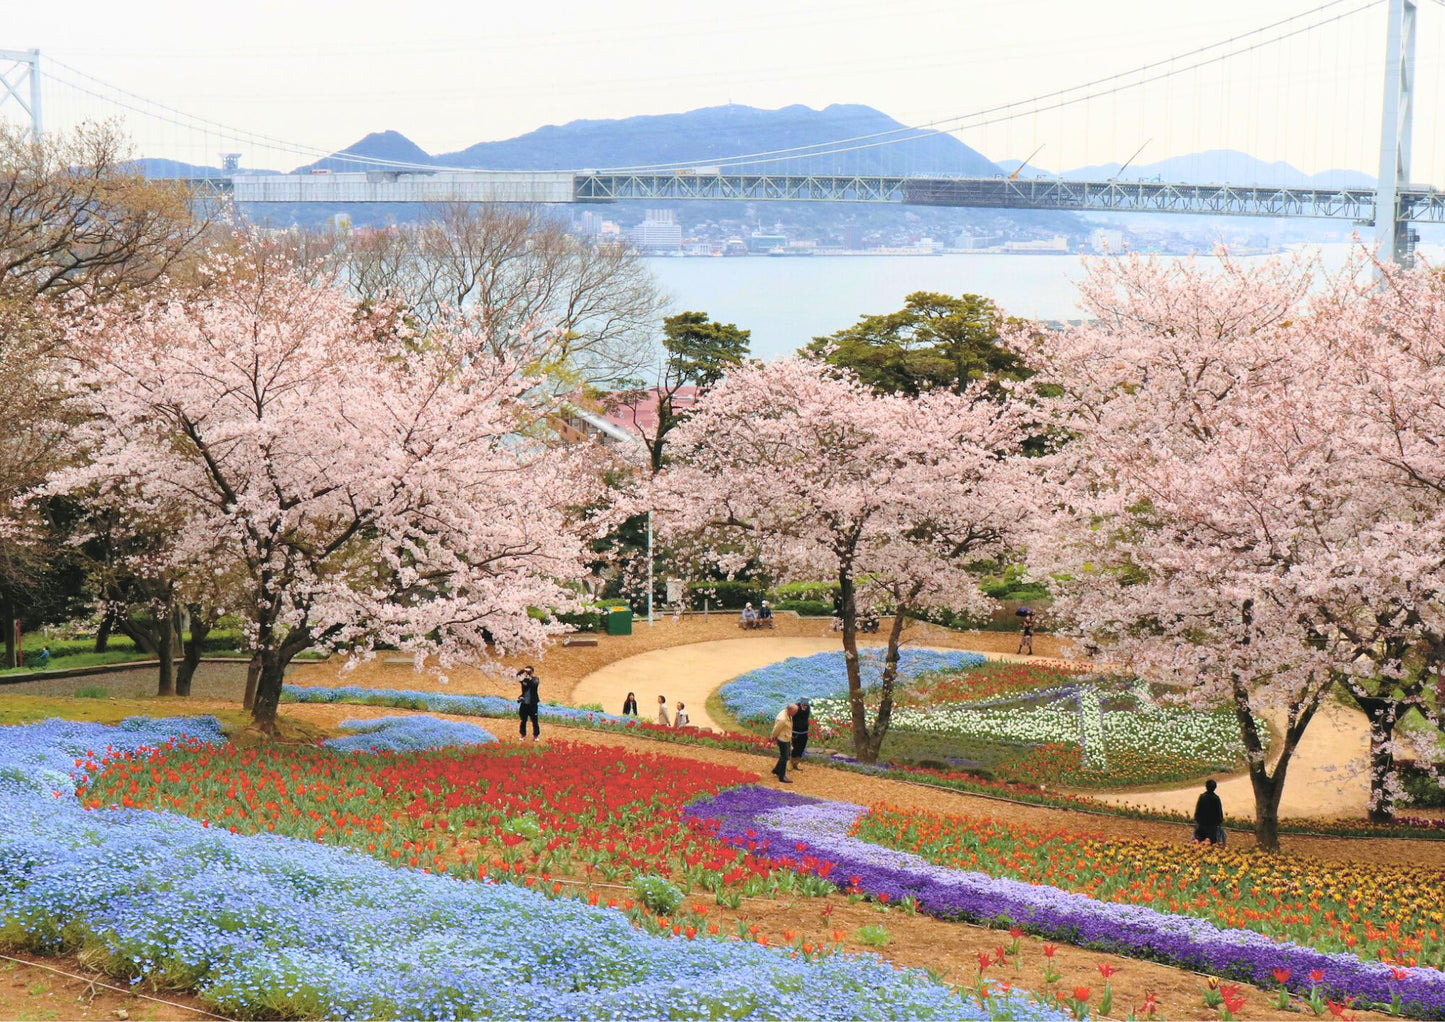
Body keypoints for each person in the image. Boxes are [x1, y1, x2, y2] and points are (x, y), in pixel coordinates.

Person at [770, 703, 798, 783]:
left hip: (786, 737)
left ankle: (776, 770)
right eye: (795, 711)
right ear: (790, 710)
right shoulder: (782, 719)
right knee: (785, 757)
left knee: (785, 755)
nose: (796, 713)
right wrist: (772, 737)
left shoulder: (788, 714)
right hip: (783, 739)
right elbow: (776, 729)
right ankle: (782, 776)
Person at [1193, 778, 1226, 845]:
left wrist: (1196, 819)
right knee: (1211, 838)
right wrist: (1220, 820)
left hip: (1201, 823)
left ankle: (1197, 841)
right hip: (1212, 825)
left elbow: (1198, 809)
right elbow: (1219, 812)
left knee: (1198, 836)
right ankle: (1208, 840)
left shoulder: (1202, 797)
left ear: (1206, 787)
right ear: (1215, 788)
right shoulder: (1216, 798)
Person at [517, 666, 541, 742]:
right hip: (524, 704)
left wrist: (530, 675)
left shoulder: (535, 679)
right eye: (526, 672)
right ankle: (523, 735)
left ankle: (536, 736)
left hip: (533, 704)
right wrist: (523, 670)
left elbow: (533, 684)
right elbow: (517, 675)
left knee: (535, 721)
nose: (527, 673)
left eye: (529, 672)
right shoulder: (524, 680)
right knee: (523, 720)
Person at [790, 697, 811, 771]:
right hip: (796, 732)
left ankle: (797, 763)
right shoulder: (796, 708)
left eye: (806, 705)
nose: (805, 706)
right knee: (795, 748)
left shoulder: (808, 708)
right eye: (804, 705)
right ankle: (791, 762)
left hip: (804, 732)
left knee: (801, 748)